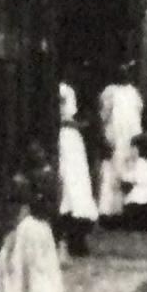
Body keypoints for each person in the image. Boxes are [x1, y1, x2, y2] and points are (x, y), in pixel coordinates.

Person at [96, 66, 144, 222]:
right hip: (114, 138)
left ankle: (127, 212)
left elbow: (138, 116)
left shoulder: (134, 93)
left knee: (128, 173)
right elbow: (103, 116)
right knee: (110, 173)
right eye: (121, 72)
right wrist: (105, 137)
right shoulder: (109, 92)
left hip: (130, 139)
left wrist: (137, 139)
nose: (124, 74)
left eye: (126, 72)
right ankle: (108, 212)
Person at [54, 83, 96, 256]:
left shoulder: (67, 90)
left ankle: (76, 234)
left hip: (70, 138)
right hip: (64, 136)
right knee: (67, 181)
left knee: (76, 181)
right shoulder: (61, 89)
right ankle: (71, 232)